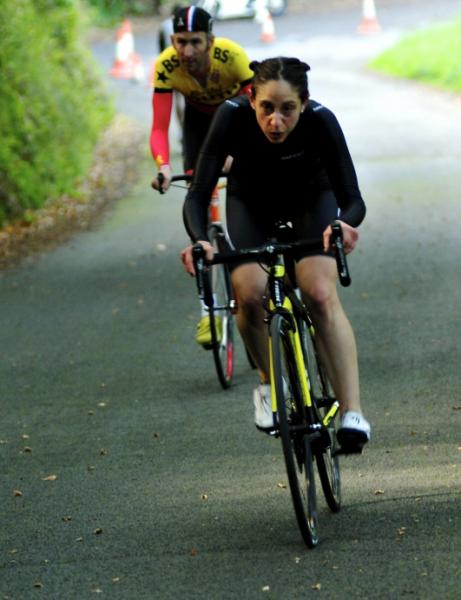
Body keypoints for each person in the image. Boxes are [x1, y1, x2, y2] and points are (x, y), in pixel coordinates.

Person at [180, 56, 371, 449]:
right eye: (267, 108)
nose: (276, 121)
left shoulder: (321, 121)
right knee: (248, 295)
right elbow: (199, 194)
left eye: (288, 109)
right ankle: (270, 384)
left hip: (311, 200)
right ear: (252, 99)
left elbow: (352, 199)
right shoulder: (230, 117)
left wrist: (343, 224)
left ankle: (352, 412)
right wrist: (199, 237)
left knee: (318, 292)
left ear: (304, 103)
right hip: (251, 203)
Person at [150, 5, 253, 346]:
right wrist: (163, 165)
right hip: (199, 125)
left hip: (238, 116)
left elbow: (257, 111)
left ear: (211, 41)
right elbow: (159, 126)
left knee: (250, 181)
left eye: (195, 42)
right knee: (197, 193)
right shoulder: (166, 65)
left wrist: (237, 154)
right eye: (180, 41)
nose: (186, 51)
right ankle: (208, 308)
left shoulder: (233, 57)